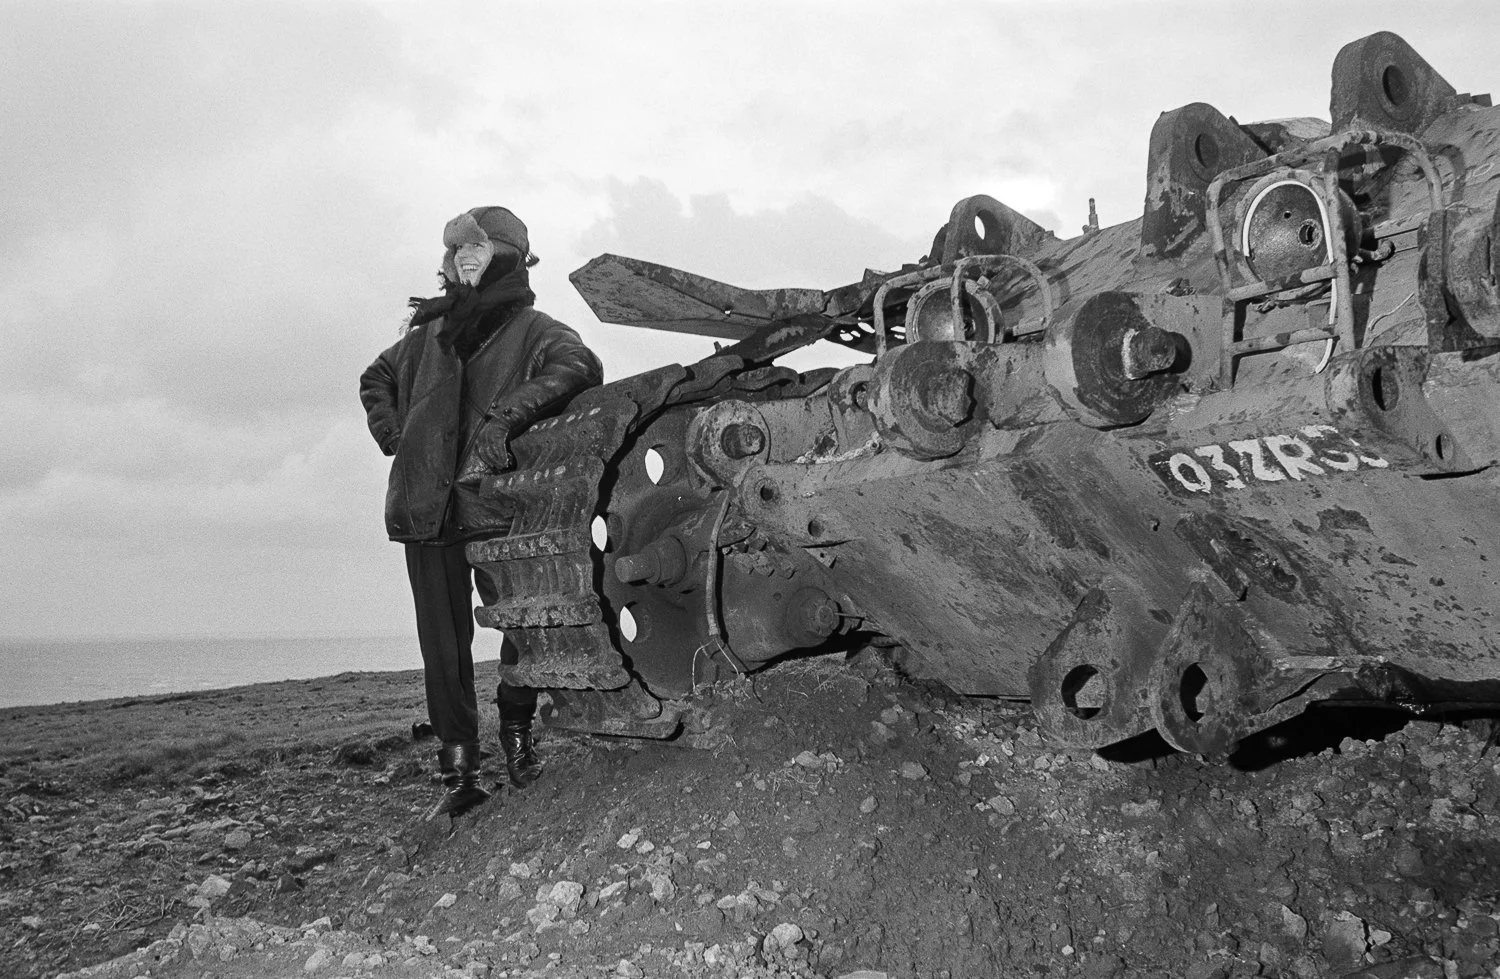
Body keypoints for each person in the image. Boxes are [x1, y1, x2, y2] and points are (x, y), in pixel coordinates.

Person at [359, 206, 603, 818]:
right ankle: (459, 774)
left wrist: (506, 418)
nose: (464, 255)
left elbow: (580, 367)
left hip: (498, 504)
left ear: (510, 256)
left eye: (479, 245)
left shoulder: (536, 330)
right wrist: (398, 437)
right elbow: (374, 378)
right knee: (443, 649)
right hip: (426, 510)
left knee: (521, 627)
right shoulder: (423, 338)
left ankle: (517, 736)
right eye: (456, 247)